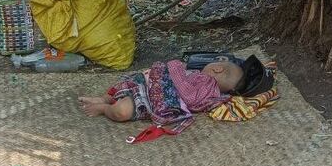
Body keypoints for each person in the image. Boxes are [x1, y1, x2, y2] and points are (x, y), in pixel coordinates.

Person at [78, 55, 274, 134]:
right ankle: (103, 100)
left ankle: (104, 107)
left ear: (217, 69)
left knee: (121, 110)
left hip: (151, 98)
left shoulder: (207, 83)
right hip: (149, 88)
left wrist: (175, 66)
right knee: (122, 90)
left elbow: (186, 93)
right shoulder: (216, 92)